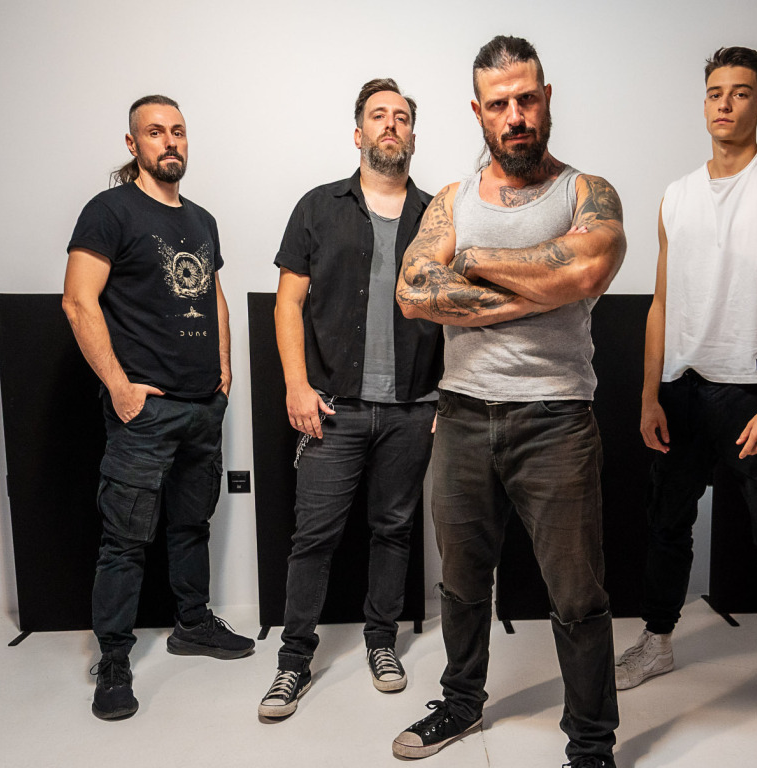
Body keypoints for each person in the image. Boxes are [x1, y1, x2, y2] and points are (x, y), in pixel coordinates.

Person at [392, 36, 625, 768]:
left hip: (556, 419)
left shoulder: (587, 193)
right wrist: (538, 289)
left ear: (546, 97)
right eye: (499, 105)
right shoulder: (453, 200)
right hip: (462, 416)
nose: (515, 116)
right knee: (462, 584)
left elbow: (589, 268)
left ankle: (591, 743)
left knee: (577, 595)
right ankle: (461, 702)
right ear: (478, 112)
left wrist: (473, 262)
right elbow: (412, 291)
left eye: (526, 99)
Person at [614, 46, 757, 730]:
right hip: (683, 388)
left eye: (739, 92)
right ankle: (658, 641)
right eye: (714, 92)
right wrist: (649, 394)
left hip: (752, 390)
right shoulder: (676, 195)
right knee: (666, 526)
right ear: (703, 102)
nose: (725, 103)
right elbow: (661, 304)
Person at [63, 95, 253, 721]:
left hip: (203, 407)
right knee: (124, 540)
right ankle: (113, 660)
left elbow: (214, 294)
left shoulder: (202, 219)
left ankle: (192, 624)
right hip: (145, 412)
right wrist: (120, 387)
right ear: (132, 144)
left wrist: (223, 372)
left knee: (191, 525)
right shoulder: (109, 211)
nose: (169, 141)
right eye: (154, 132)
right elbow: (78, 301)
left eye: (178, 131)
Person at [257, 79, 442, 719]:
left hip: (414, 409)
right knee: (314, 536)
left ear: (412, 134)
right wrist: (296, 385)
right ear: (358, 132)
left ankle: (381, 642)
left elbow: (458, 313)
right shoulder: (317, 207)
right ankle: (293, 662)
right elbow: (288, 303)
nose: (391, 124)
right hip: (332, 408)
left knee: (393, 531)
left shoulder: (439, 215)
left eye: (402, 117)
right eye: (378, 115)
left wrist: (446, 399)